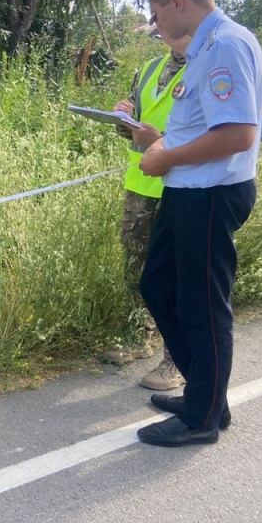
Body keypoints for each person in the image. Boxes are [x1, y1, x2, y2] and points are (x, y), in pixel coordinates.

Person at [131, 0, 262, 448]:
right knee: (160, 286)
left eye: (157, 10)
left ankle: (203, 416)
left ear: (179, 1)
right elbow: (204, 124)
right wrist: (162, 141)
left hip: (209, 194)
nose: (156, 21)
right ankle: (206, 397)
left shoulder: (225, 45)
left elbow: (237, 134)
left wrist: (166, 158)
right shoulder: (208, 45)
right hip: (189, 189)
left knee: (203, 305)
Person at [102, 25, 191, 393]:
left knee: (173, 274)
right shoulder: (150, 68)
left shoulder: (204, 68)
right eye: (162, 32)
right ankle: (142, 336)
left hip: (179, 186)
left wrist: (160, 141)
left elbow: (208, 133)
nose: (168, 36)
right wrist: (123, 115)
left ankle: (177, 360)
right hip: (139, 186)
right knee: (137, 270)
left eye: (172, 30)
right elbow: (134, 126)